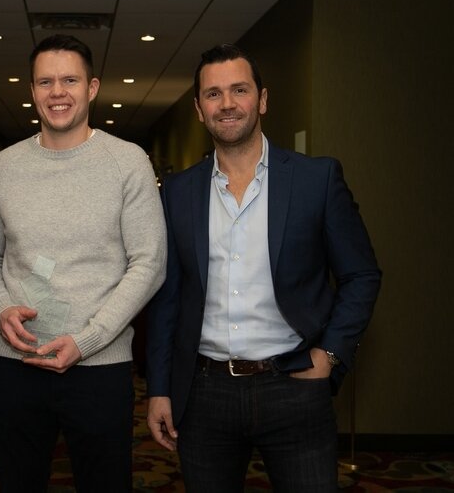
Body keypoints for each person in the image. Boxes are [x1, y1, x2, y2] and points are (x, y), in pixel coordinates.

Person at [146, 44, 382, 492]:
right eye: (213, 94)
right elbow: (168, 297)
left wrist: (329, 355)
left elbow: (361, 275)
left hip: (294, 385)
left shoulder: (318, 180)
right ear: (199, 109)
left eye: (240, 90)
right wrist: (159, 387)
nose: (228, 103)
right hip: (204, 393)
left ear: (263, 99)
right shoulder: (177, 192)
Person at [0, 34, 166, 492]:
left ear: (92, 87)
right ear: (33, 90)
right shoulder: (0, 169)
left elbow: (149, 263)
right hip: (15, 366)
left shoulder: (127, 161)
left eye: (70, 80)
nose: (57, 92)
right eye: (45, 81)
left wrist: (88, 340)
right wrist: (0, 310)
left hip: (100, 368)